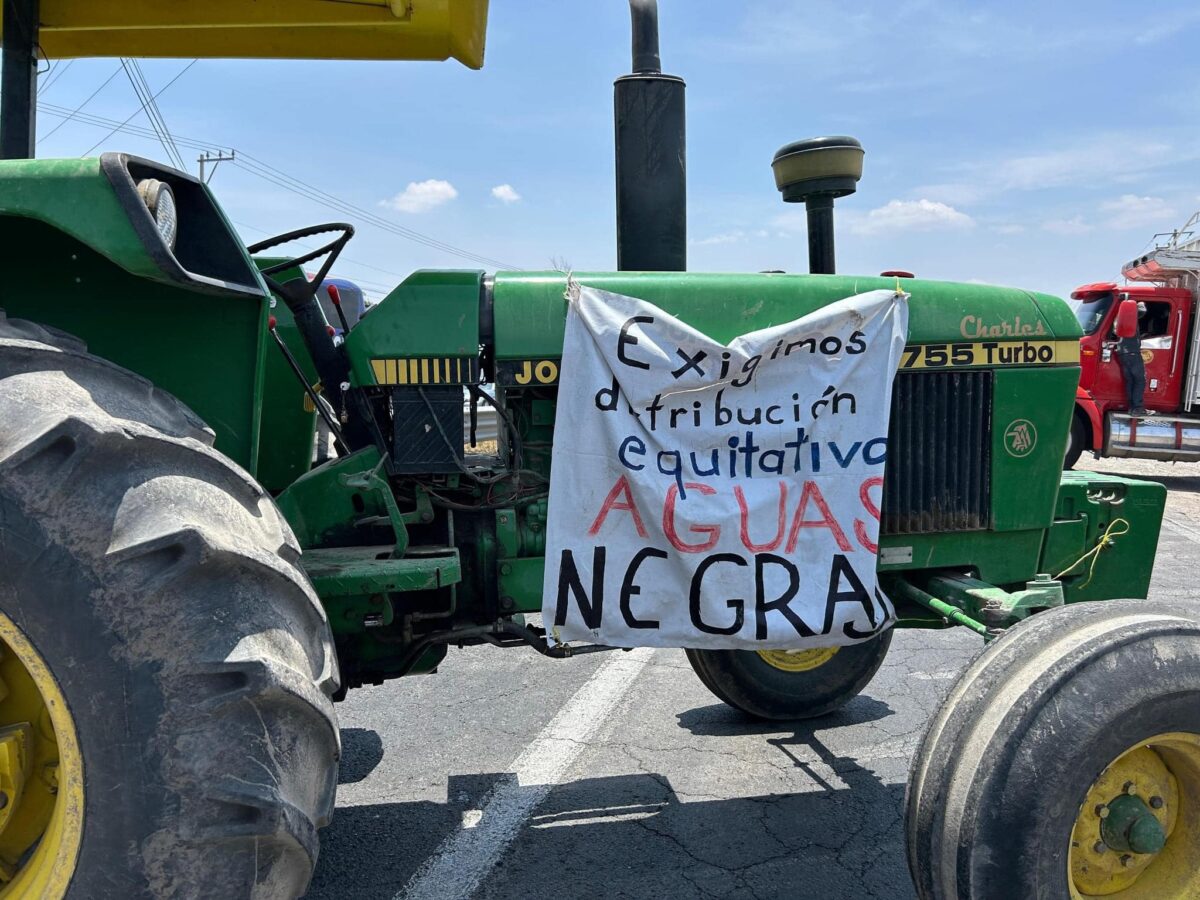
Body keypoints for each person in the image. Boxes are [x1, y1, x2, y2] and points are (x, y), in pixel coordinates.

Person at [1116, 301, 1152, 416]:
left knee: (1130, 381)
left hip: (1123, 353)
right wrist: (1139, 304)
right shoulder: (1131, 317)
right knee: (1140, 380)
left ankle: (1132, 408)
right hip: (1132, 352)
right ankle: (1138, 408)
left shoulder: (1119, 319)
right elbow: (1142, 311)